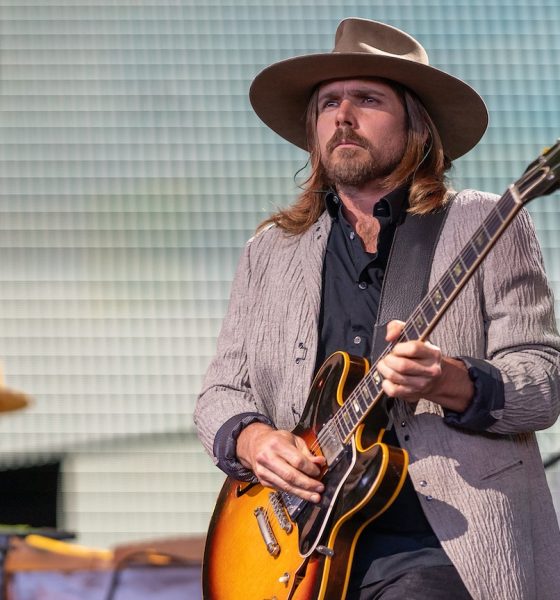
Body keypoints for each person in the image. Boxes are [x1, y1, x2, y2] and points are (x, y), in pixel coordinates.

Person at [194, 17, 560, 600]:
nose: (343, 115)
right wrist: (253, 440)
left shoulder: (487, 223)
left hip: (445, 545)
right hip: (303, 545)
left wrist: (453, 381)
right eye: (329, 103)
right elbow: (220, 394)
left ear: (417, 126)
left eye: (367, 99)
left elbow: (543, 384)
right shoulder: (270, 251)